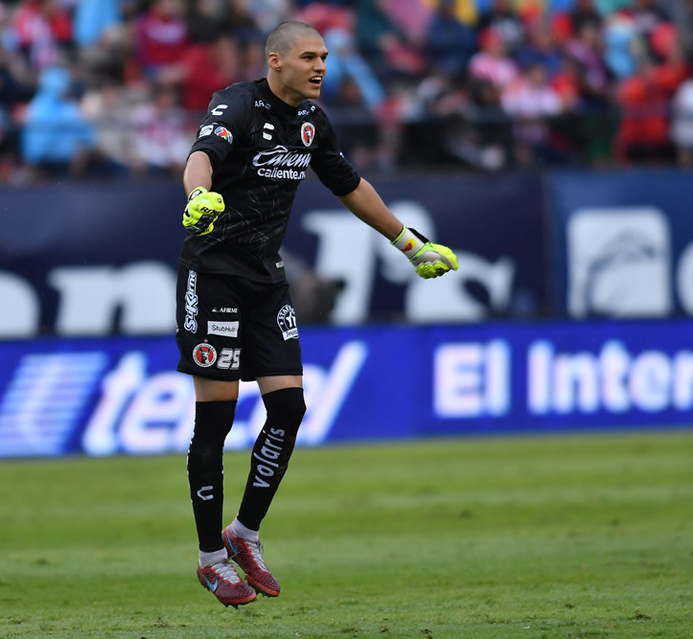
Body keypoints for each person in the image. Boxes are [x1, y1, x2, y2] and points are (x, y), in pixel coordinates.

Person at [175, 20, 458, 608]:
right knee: (216, 420)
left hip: (266, 281)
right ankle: (209, 559)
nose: (320, 66)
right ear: (275, 60)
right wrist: (198, 198)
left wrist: (410, 244)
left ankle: (243, 535)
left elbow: (350, 185)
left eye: (325, 56)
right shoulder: (238, 104)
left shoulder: (311, 124)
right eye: (308, 56)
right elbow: (200, 157)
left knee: (289, 406)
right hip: (215, 276)